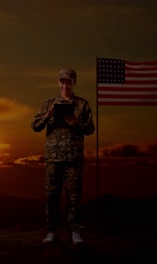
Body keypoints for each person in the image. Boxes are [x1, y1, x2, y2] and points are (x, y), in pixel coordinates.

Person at [31, 68, 95, 245]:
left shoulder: (82, 104)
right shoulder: (49, 103)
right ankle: (51, 231)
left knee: (74, 195)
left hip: (73, 158)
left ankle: (75, 231)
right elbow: (35, 126)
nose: (65, 85)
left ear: (74, 83)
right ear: (58, 83)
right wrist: (48, 115)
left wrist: (77, 124)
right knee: (52, 195)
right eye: (62, 81)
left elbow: (90, 129)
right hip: (53, 157)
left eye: (69, 81)